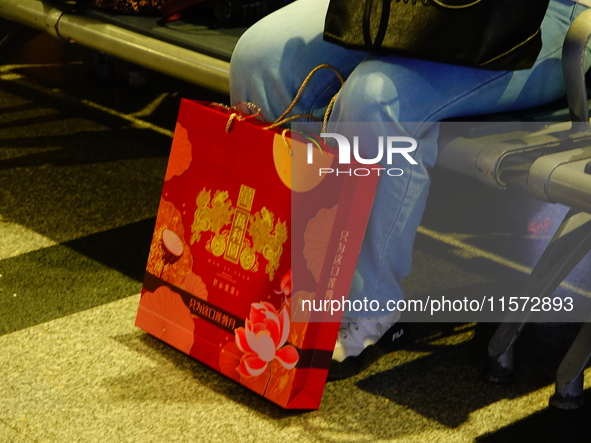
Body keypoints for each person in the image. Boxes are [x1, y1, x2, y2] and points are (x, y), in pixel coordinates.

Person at [229, 0, 591, 379]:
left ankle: (369, 305)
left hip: (539, 16)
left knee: (377, 98)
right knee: (260, 58)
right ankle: (282, 270)